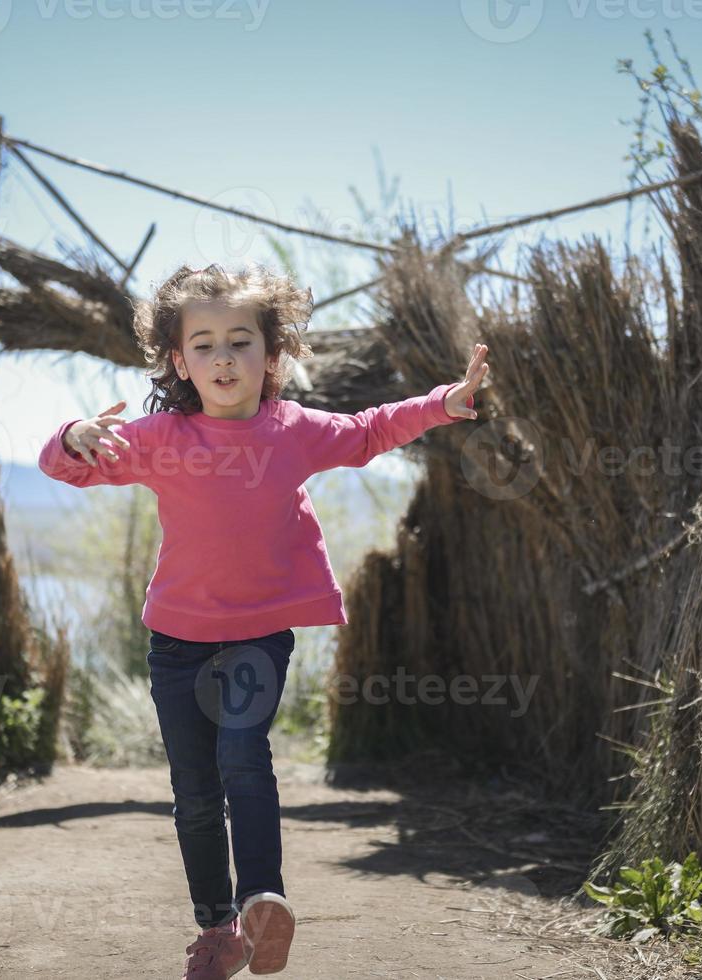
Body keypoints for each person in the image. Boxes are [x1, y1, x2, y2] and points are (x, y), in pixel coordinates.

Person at [39, 262, 488, 978]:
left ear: (271, 355)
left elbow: (370, 430)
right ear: (179, 360)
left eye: (241, 341)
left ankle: (261, 899)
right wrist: (75, 434)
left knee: (244, 760)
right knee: (193, 794)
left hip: (255, 637)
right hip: (177, 645)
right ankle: (217, 930)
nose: (224, 357)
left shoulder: (293, 430)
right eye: (206, 343)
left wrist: (444, 401)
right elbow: (66, 468)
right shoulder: (159, 436)